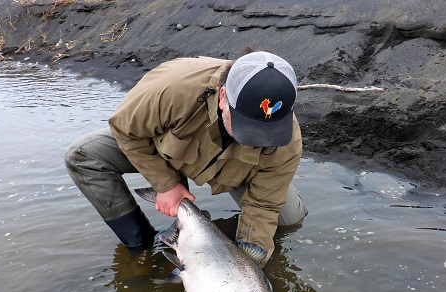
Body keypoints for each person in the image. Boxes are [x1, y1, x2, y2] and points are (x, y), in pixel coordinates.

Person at [64, 50, 307, 266]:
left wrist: (248, 261)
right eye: (247, 127)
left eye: (268, 133)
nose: (255, 140)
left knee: (289, 220)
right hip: (163, 150)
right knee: (83, 155)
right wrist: (166, 185)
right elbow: (126, 132)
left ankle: (195, 229)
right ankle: (142, 247)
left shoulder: (287, 141)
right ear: (223, 97)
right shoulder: (171, 88)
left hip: (236, 171)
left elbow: (263, 205)